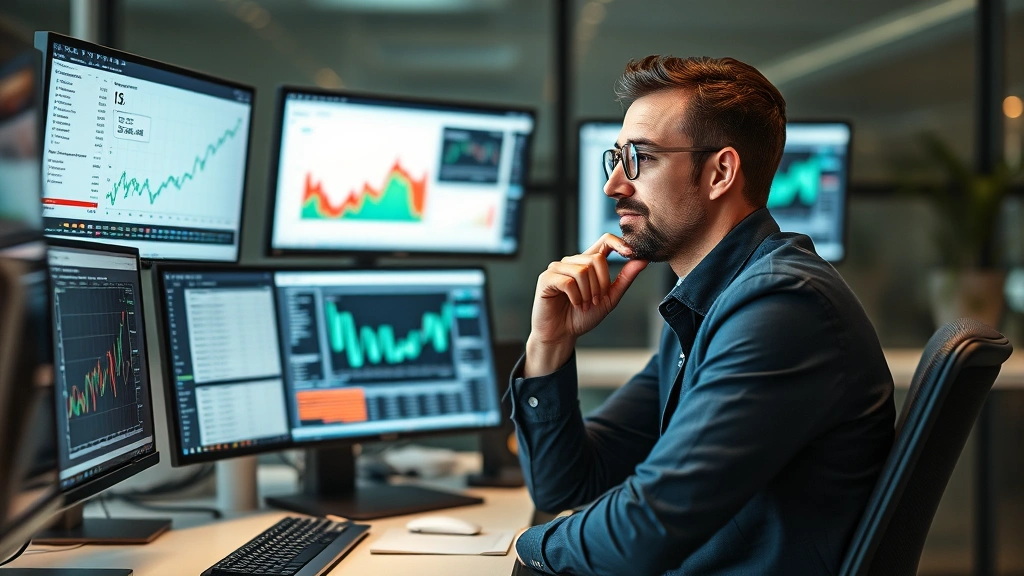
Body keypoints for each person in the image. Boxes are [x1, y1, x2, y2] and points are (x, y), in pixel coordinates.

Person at [507, 55, 896, 576]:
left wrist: (524, 546)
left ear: (720, 173)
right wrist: (548, 344)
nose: (615, 185)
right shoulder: (707, 305)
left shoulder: (782, 309)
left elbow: (640, 533)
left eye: (640, 158)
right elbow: (567, 484)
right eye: (616, 158)